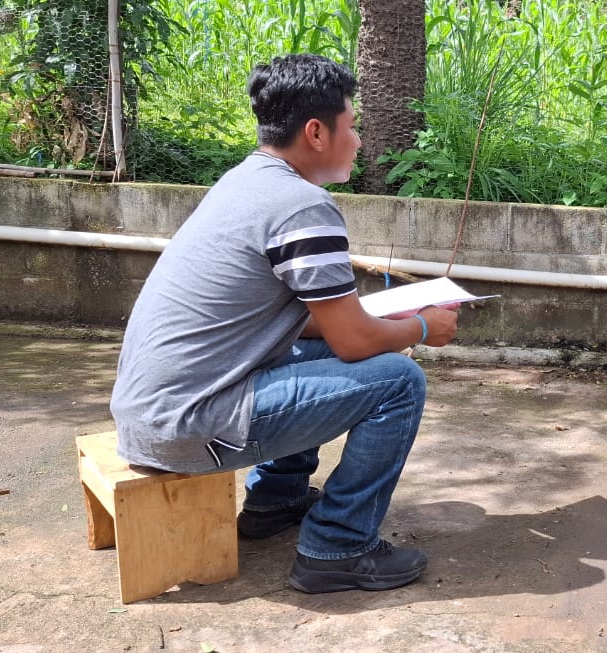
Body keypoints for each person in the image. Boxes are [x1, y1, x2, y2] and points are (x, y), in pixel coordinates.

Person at [109, 54, 458, 593]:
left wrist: (386, 320)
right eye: (353, 124)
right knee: (399, 381)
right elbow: (355, 340)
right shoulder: (302, 207)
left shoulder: (246, 180)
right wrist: (421, 330)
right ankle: (338, 547)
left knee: (324, 355)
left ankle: (278, 498)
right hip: (188, 425)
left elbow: (309, 326)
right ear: (316, 132)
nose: (359, 140)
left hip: (156, 412)